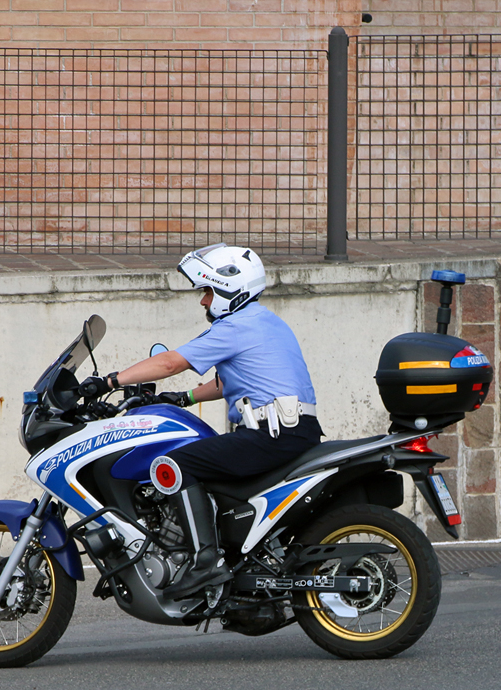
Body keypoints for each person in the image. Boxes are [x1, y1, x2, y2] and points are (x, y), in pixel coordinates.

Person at [79, 243, 322, 599]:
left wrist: (109, 381)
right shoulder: (263, 321)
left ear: (228, 288)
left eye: (207, 291)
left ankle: (206, 563)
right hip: (291, 430)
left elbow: (169, 364)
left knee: (174, 464)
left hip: (272, 434)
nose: (203, 301)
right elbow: (232, 381)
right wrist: (184, 398)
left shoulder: (235, 326)